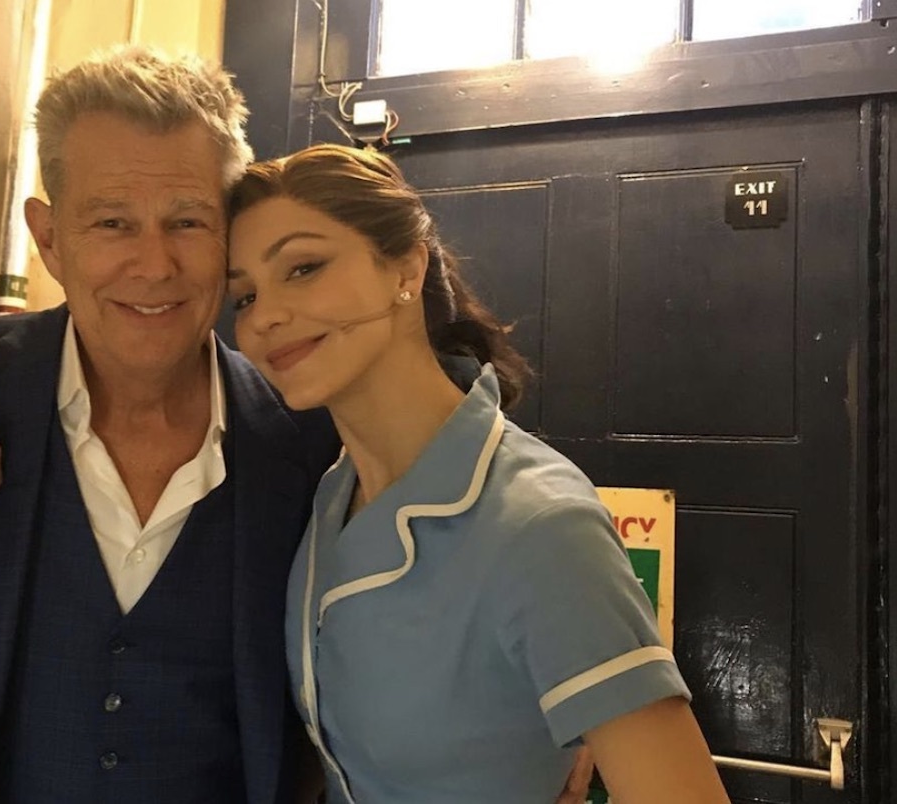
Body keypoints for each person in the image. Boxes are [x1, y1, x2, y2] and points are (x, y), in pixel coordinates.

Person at [0, 46, 594, 804]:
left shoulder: (318, 445)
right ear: (50, 238)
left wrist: (532, 736)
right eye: (113, 222)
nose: (154, 265)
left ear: (229, 235)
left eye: (188, 221)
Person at [225, 143, 731, 804]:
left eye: (304, 267)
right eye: (244, 296)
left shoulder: (540, 525)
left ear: (406, 268)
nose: (264, 316)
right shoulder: (330, 496)